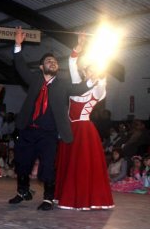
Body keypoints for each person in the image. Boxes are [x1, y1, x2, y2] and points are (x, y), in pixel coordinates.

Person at [8, 26, 89, 211]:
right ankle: (23, 191)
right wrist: (18, 45)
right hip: (28, 131)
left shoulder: (62, 85)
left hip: (49, 134)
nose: (52, 63)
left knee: (47, 166)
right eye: (48, 61)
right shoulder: (34, 80)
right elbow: (20, 66)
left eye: (54, 61)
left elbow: (79, 89)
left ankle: (48, 198)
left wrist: (93, 79)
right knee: (22, 164)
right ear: (41, 67)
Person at [54, 34, 114, 210]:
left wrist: (101, 72)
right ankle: (65, 195)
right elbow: (72, 63)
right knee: (68, 163)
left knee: (82, 164)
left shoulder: (98, 91)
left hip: (84, 131)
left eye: (94, 71)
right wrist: (77, 48)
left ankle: (84, 199)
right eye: (89, 70)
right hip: (69, 129)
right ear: (84, 72)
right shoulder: (76, 83)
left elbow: (102, 85)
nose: (91, 72)